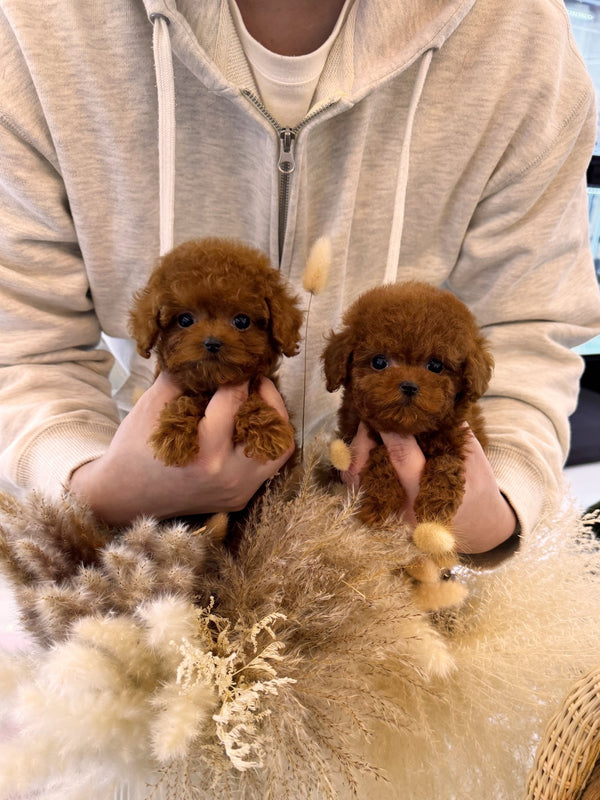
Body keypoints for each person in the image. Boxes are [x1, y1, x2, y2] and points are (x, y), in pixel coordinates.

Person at [0, 0, 598, 560]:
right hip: (141, 550)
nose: (213, 334)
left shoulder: (519, 34)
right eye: (185, 320)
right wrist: (94, 483)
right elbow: (24, 341)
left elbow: (527, 330)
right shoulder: (36, 23)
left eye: (241, 321)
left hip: (411, 564)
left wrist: (497, 508)